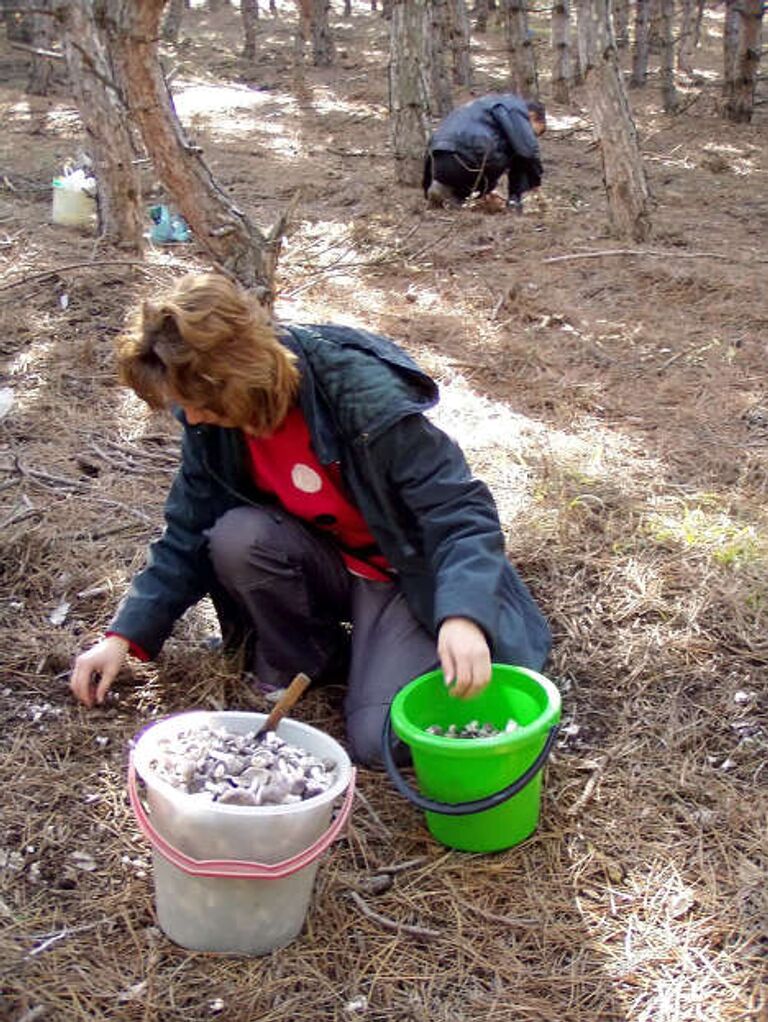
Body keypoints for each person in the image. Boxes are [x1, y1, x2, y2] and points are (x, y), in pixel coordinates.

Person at [70, 273, 551, 765]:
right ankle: (313, 657)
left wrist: (462, 615)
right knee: (238, 536)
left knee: (380, 739)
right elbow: (188, 528)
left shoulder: (359, 394)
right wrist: (123, 636)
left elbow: (460, 511)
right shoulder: (215, 421)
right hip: (326, 561)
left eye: (196, 404)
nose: (190, 419)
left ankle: (382, 651)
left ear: (236, 377)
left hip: (403, 575)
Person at [423, 93, 546, 211]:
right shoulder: (515, 108)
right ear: (532, 116)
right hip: (472, 156)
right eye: (534, 134)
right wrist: (534, 182)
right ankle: (515, 203)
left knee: (517, 148)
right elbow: (528, 151)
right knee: (521, 153)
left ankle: (446, 191)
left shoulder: (480, 105)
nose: (533, 138)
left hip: (439, 160)